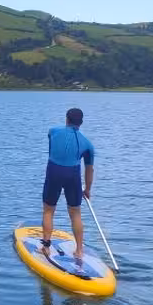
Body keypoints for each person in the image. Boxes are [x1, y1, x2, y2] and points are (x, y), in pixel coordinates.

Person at [41, 107, 95, 261]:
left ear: (66, 119)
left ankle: (45, 246)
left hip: (54, 172)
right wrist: (88, 189)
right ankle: (79, 251)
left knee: (48, 210)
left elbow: (52, 146)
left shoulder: (53, 131)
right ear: (81, 123)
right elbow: (89, 170)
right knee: (75, 213)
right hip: (73, 176)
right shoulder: (88, 145)